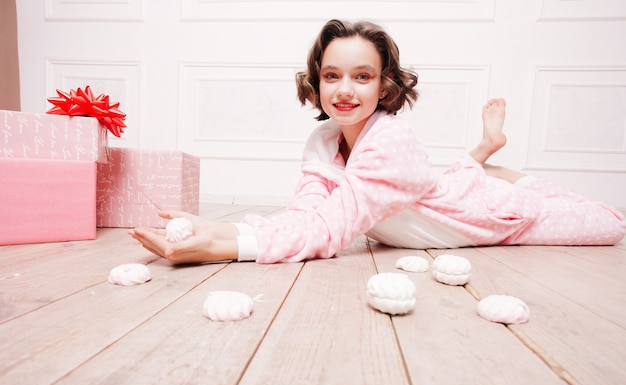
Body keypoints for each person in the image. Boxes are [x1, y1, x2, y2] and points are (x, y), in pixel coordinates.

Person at [130, 19, 626, 265]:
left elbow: (330, 230)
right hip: (425, 195)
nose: (345, 90)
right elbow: (307, 214)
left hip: (476, 214)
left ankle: (497, 169)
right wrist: (217, 228)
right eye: (332, 75)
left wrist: (221, 247)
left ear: (384, 86)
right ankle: (481, 156)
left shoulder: (390, 141)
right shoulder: (323, 139)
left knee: (608, 225)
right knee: (443, 181)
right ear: (317, 83)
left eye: (362, 76)